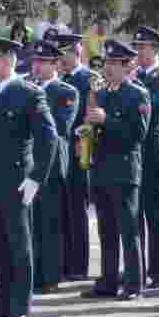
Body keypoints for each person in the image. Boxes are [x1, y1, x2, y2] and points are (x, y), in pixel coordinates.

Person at [0, 34, 58, 317]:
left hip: (15, 180)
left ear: (8, 61)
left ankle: (19, 306)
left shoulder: (29, 93)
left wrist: (35, 178)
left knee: (18, 244)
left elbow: (49, 138)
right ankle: (2, 303)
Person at [81, 39, 150, 300]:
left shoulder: (137, 94)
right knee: (106, 229)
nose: (108, 68)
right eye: (107, 62)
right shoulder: (103, 93)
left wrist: (107, 120)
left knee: (128, 229)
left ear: (127, 66)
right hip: (101, 168)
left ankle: (134, 284)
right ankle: (108, 281)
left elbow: (138, 133)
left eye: (114, 63)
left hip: (124, 170)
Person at [28, 40, 78, 294]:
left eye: (43, 62)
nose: (36, 66)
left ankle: (51, 275)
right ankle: (33, 272)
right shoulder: (26, 87)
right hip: (29, 161)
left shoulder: (65, 92)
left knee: (50, 221)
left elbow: (61, 127)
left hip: (52, 163)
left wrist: (36, 99)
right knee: (32, 221)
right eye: (35, 61)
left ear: (56, 64)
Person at [50, 32, 99, 281]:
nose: (63, 58)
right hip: (58, 150)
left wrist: (85, 142)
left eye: (66, 52)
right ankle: (61, 262)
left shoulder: (89, 78)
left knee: (77, 209)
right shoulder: (58, 79)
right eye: (59, 54)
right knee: (59, 207)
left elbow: (92, 113)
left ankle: (78, 266)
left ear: (78, 50)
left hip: (80, 147)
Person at [132, 26, 159, 289]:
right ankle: (139, 267)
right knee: (135, 212)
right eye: (137, 48)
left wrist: (137, 87)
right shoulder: (138, 75)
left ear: (155, 49)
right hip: (135, 150)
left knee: (156, 210)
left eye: (143, 48)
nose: (139, 52)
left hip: (155, 148)